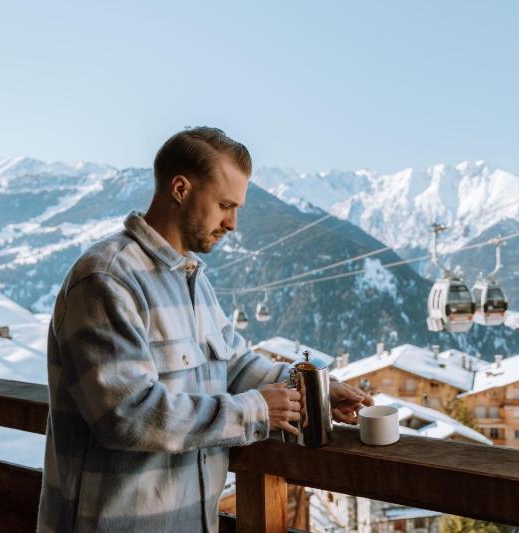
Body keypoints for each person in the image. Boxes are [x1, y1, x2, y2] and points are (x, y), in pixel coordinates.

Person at [37, 127, 372, 532]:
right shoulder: (107, 278)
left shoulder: (193, 278)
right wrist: (255, 411)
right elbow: (125, 415)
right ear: (180, 188)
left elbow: (233, 364)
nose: (233, 223)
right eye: (225, 205)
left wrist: (311, 389)